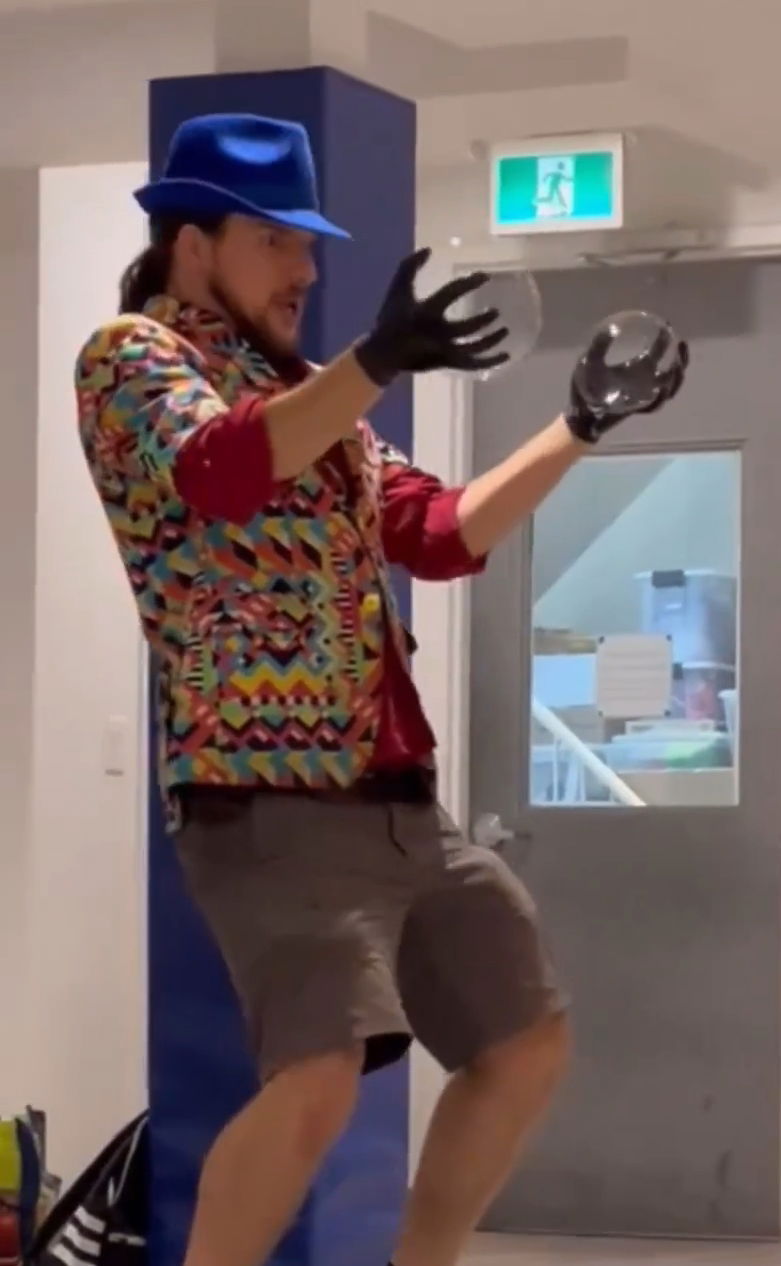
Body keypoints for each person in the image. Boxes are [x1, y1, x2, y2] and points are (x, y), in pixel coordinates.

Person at [75, 113, 687, 1266]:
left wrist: (579, 424)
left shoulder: (310, 398)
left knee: (524, 1043)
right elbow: (223, 470)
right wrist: (378, 362)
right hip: (266, 802)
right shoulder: (134, 359)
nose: (305, 267)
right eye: (275, 241)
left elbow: (441, 531)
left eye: (309, 244)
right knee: (314, 1082)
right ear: (191, 241)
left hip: (400, 799)